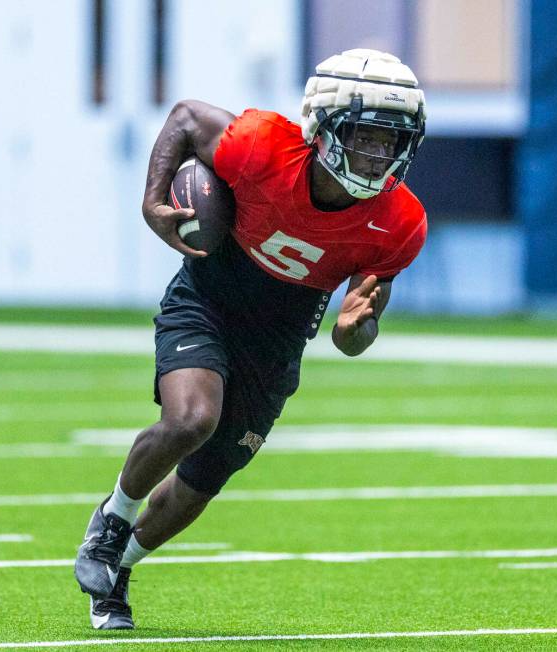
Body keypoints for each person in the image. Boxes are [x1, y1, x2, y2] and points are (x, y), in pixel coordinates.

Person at [74, 48, 427, 630]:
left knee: (203, 480)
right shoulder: (265, 143)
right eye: (365, 135)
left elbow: (356, 330)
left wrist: (354, 329)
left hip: (280, 336)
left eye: (391, 141)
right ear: (326, 127)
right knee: (192, 419)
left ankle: (119, 566)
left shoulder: (400, 221)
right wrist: (152, 197)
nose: (378, 153)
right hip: (209, 298)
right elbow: (186, 116)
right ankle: (111, 520)